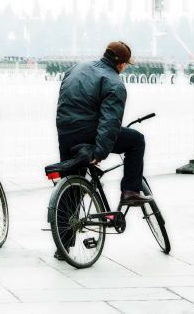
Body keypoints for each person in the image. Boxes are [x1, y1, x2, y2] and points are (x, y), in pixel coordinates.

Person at [53, 41, 152, 259]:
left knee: (72, 186)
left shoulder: (77, 68)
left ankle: (63, 246)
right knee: (136, 140)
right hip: (88, 132)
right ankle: (130, 191)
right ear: (121, 64)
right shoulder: (115, 83)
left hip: (65, 132)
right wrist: (99, 153)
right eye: (126, 64)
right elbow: (110, 123)